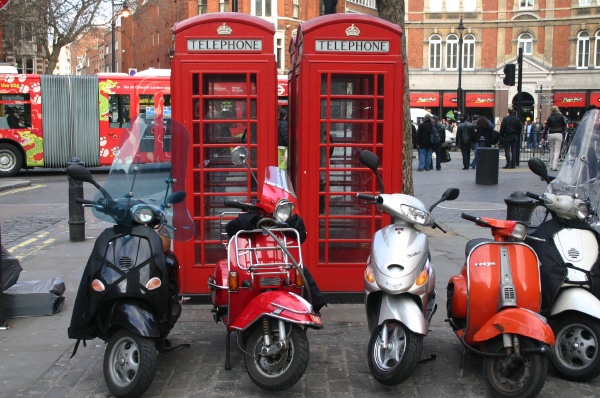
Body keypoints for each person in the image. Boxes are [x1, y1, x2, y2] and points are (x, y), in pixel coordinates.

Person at [543, 105, 567, 171]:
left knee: (552, 150)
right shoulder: (561, 116)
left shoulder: (550, 117)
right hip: (558, 133)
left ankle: (550, 165)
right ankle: (554, 166)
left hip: (551, 134)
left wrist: (543, 136)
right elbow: (564, 125)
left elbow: (547, 127)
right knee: (557, 150)